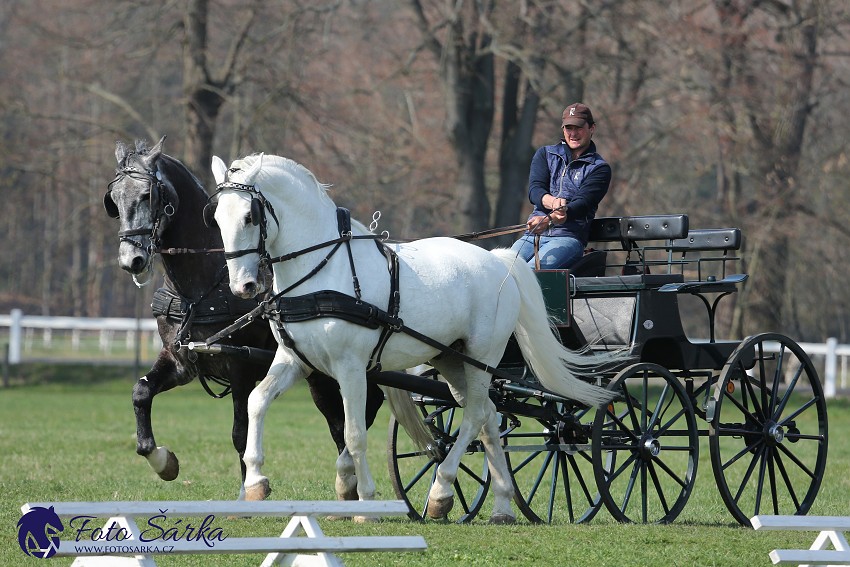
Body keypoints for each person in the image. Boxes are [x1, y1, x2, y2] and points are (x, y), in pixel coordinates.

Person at [510, 102, 611, 269]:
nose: (573, 134)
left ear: (592, 128)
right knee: (503, 269)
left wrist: (552, 219)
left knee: (529, 272)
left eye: (578, 128)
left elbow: (582, 204)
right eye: (568, 128)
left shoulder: (599, 168)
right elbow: (535, 190)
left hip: (569, 237)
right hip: (532, 235)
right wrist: (553, 203)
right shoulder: (545, 154)